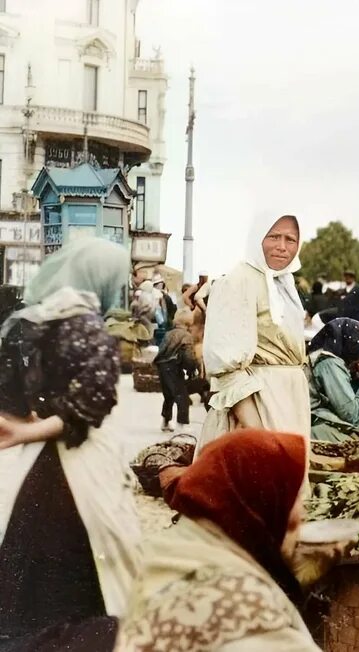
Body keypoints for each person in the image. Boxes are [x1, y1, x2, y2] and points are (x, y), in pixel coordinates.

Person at [0, 238, 141, 652]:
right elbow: (89, 405)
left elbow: (8, 396)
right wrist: (33, 431)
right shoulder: (89, 327)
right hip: (80, 464)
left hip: (27, 467)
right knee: (88, 567)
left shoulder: (26, 323)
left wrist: (24, 428)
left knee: (26, 560)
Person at [116, 430, 322, 651]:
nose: (300, 511)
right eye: (294, 496)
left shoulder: (159, 551)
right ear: (260, 505)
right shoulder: (249, 610)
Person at [200, 213, 310, 450]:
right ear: (257, 238)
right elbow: (226, 369)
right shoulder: (238, 281)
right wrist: (256, 431)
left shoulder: (285, 283)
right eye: (273, 237)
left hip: (288, 404)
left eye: (290, 239)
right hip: (258, 406)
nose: (282, 247)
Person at [306, 318, 359, 443]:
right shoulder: (329, 363)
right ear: (350, 345)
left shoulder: (330, 359)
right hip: (317, 428)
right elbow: (352, 415)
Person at [154, 311, 200, 434]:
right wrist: (193, 368)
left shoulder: (168, 334)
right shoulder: (186, 336)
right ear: (188, 323)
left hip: (162, 366)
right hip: (173, 367)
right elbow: (188, 356)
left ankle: (165, 421)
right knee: (182, 395)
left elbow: (161, 350)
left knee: (168, 395)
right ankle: (182, 423)